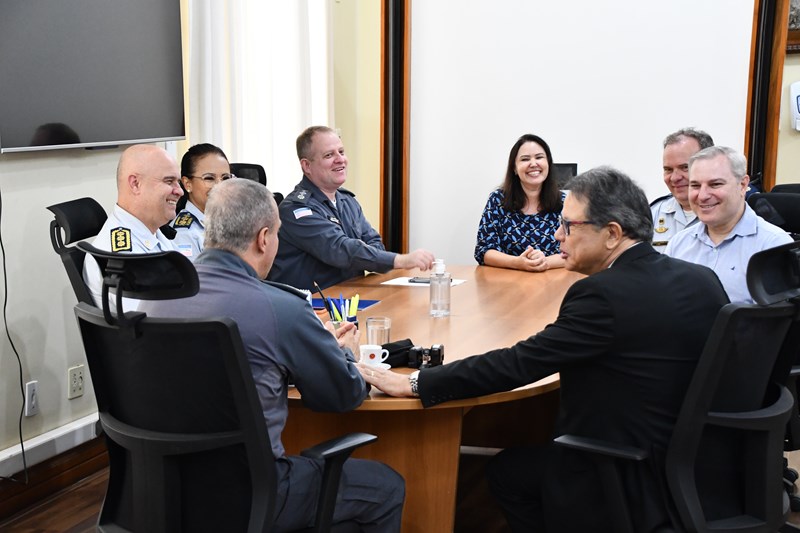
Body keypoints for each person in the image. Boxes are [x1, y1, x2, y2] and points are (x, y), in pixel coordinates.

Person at [359, 167, 729, 532]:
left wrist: (416, 382)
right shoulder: (701, 279)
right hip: (702, 468)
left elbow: (519, 363)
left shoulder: (601, 296)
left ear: (612, 234)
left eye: (569, 226)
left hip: (628, 471)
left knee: (506, 473)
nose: (557, 235)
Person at [141, 178, 404, 531]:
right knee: (385, 487)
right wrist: (342, 354)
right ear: (264, 238)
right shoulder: (282, 308)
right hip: (250, 495)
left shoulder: (154, 300)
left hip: (161, 491)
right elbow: (343, 395)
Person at [268, 125, 435, 290]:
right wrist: (401, 260)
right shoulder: (296, 209)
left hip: (351, 297)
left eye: (341, 152)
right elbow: (340, 249)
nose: (340, 159)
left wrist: (367, 256)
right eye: (329, 155)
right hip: (313, 303)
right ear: (307, 166)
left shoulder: (347, 201)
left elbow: (374, 242)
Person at [665, 146, 792, 303]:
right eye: (695, 186)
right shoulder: (678, 244)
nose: (702, 196)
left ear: (743, 185)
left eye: (715, 184)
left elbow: (776, 317)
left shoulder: (772, 245)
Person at [83, 144, 183, 310]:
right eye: (169, 181)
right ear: (135, 184)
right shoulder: (121, 253)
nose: (180, 191)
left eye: (178, 182)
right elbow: (149, 316)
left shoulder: (151, 231)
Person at [474, 134, 566, 271]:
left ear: (548, 163)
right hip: (507, 280)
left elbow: (576, 252)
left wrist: (544, 262)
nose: (533, 164)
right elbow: (484, 250)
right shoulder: (498, 200)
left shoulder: (564, 202)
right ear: (514, 168)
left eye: (539, 157)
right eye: (525, 159)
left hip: (553, 279)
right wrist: (517, 263)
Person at [649, 127, 714, 251]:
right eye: (668, 169)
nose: (675, 178)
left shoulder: (725, 215)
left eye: (685, 167)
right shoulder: (652, 214)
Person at [170, 143, 233, 260]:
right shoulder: (184, 233)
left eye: (225, 178)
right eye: (209, 178)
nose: (220, 185)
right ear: (187, 184)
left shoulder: (233, 220)